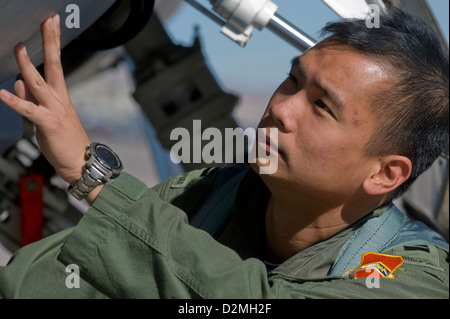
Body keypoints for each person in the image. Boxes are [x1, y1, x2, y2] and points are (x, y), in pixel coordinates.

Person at [0, 8, 448, 299]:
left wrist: (92, 172)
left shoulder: (414, 281)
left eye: (322, 107)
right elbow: (32, 285)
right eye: (292, 81)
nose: (280, 108)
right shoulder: (209, 196)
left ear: (386, 174)